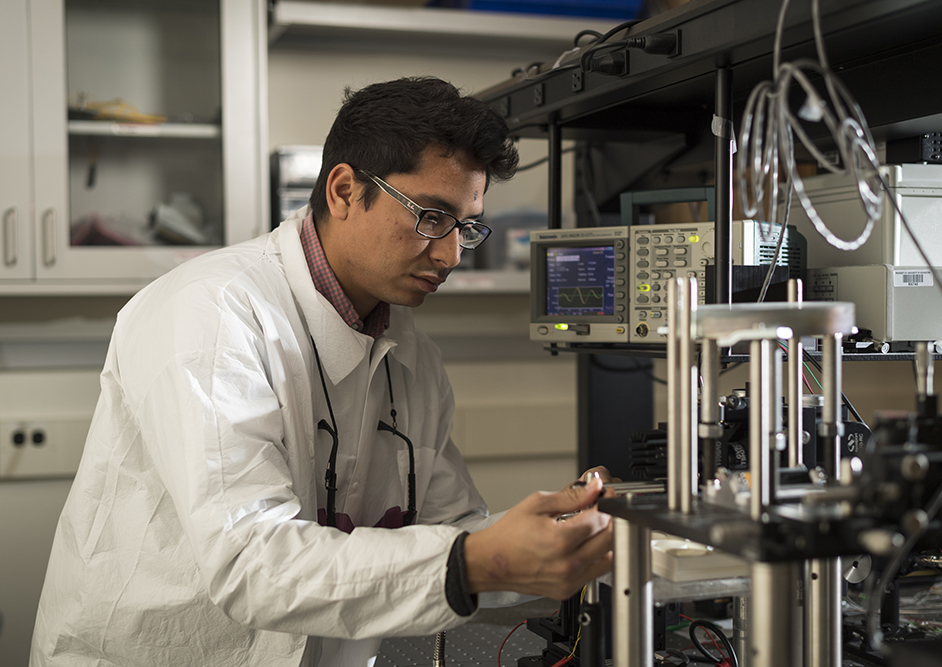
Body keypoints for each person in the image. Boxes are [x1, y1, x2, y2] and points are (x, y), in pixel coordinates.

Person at [30, 77, 614, 667]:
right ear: (343, 190)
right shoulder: (211, 316)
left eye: (466, 226)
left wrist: (574, 537)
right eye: (433, 216)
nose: (451, 255)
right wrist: (478, 561)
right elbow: (248, 562)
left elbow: (455, 527)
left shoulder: (412, 357)